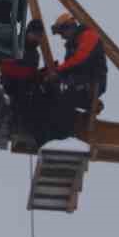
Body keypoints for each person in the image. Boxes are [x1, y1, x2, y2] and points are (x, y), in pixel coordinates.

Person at [27, 11, 107, 145]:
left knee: (65, 98)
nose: (62, 37)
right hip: (78, 82)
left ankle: (62, 136)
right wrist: (49, 76)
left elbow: (80, 59)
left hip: (91, 83)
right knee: (50, 93)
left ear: (69, 27)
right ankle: (44, 135)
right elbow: (69, 68)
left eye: (62, 33)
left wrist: (58, 72)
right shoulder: (72, 45)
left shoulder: (89, 36)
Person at [0, 19, 47, 145]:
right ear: (28, 32)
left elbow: (31, 72)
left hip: (24, 84)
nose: (37, 38)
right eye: (35, 35)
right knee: (20, 97)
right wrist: (28, 75)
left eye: (39, 36)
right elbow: (5, 66)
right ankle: (14, 126)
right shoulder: (15, 43)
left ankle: (30, 128)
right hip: (11, 82)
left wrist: (40, 75)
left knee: (37, 95)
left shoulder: (34, 54)